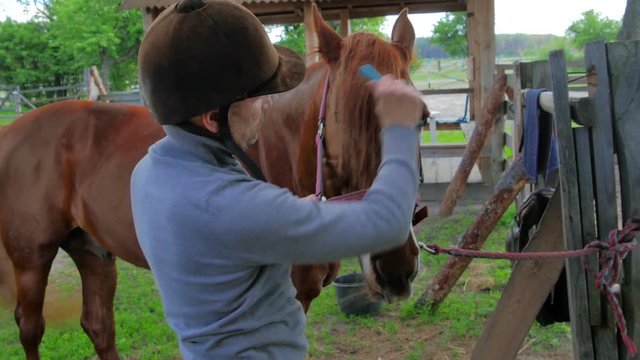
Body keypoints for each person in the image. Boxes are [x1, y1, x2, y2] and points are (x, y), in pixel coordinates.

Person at [130, 0, 424, 358]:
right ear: (212, 119)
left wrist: (282, 216)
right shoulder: (234, 207)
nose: (269, 105)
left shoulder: (148, 172)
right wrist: (400, 127)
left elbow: (227, 234)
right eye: (258, 96)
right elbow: (388, 224)